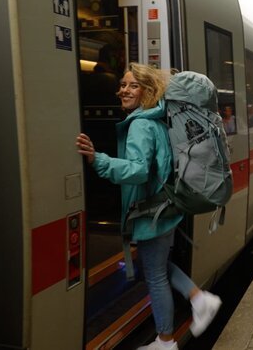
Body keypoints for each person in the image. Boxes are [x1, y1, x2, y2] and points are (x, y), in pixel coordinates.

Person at [75, 63, 222, 349]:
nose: (123, 90)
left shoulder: (140, 124)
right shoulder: (156, 119)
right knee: (157, 265)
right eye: (122, 85)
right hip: (164, 208)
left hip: (151, 211)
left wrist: (98, 160)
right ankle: (199, 299)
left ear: (147, 91)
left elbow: (139, 170)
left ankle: (166, 340)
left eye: (132, 85)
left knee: (155, 275)